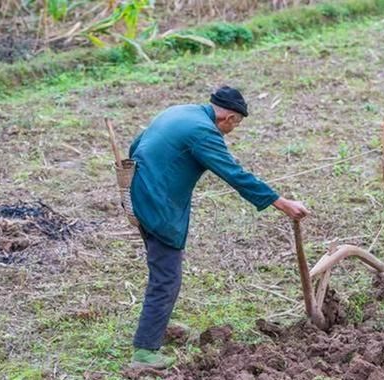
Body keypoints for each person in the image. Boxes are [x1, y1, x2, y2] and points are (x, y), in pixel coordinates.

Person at [127, 86, 309, 369]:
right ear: (230, 117)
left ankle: (156, 325)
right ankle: (145, 352)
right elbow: (233, 173)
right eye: (236, 123)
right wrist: (280, 202)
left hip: (138, 193)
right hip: (158, 205)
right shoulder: (204, 132)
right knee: (167, 277)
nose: (232, 130)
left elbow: (136, 145)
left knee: (161, 270)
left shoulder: (181, 111)